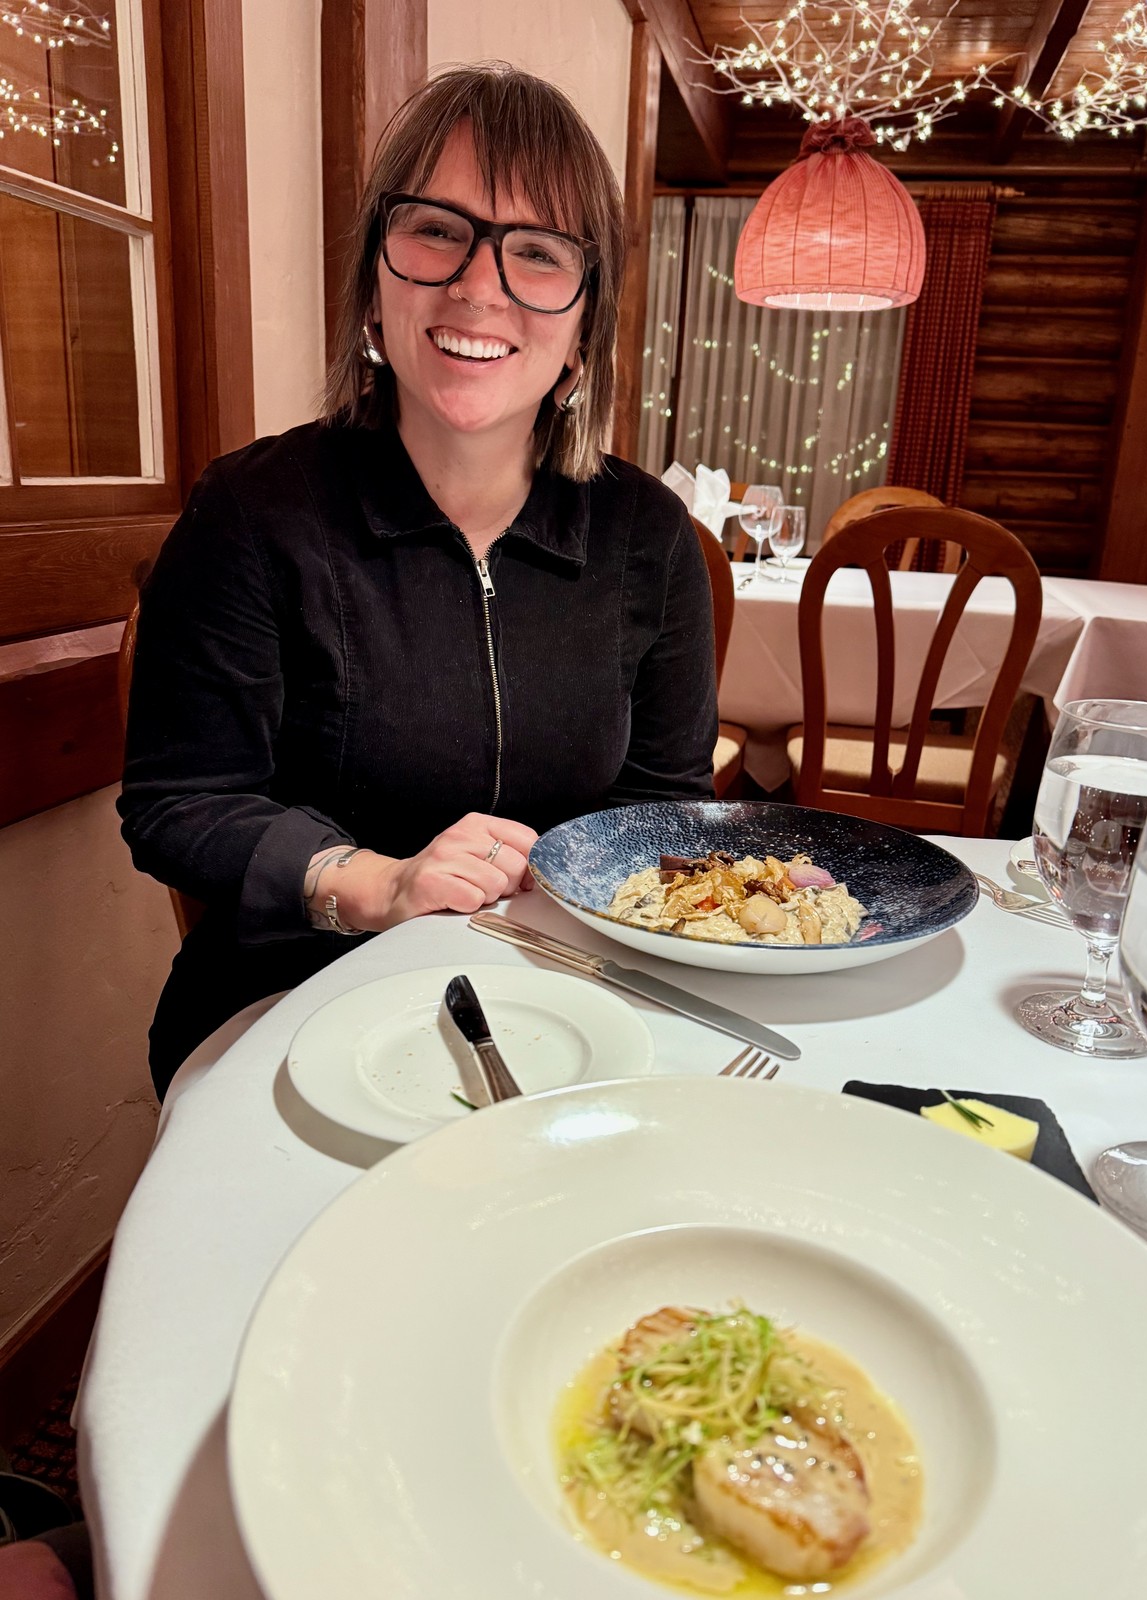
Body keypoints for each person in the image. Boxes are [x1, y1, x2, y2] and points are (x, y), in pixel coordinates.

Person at [119, 64, 718, 1097]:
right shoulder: (254, 511)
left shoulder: (648, 535)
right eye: (438, 230)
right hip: (293, 992)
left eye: (539, 251)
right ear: (373, 285)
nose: (479, 286)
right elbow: (183, 802)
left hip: (571, 1003)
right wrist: (381, 884)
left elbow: (663, 810)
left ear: (584, 329)